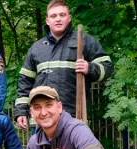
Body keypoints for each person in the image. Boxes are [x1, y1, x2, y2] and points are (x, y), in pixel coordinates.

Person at [14, 0, 113, 129]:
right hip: (43, 118)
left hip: (73, 117)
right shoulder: (36, 48)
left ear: (69, 18)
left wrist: (90, 68)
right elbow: (25, 82)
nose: (58, 19)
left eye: (62, 15)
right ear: (47, 20)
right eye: (53, 16)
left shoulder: (83, 40)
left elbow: (108, 67)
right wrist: (21, 111)